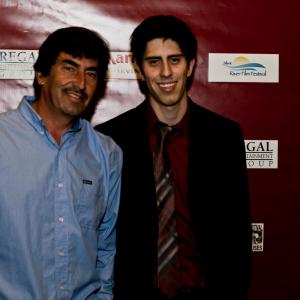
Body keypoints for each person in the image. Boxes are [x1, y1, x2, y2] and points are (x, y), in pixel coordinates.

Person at [95, 15, 252, 300]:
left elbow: (238, 232)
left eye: (175, 60)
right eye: (154, 62)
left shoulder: (224, 136)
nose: (165, 72)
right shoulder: (110, 138)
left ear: (190, 65)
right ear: (139, 69)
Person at [0, 27, 122, 300]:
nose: (80, 83)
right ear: (41, 74)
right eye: (70, 67)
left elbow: (106, 245)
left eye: (90, 73)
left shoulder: (107, 153)